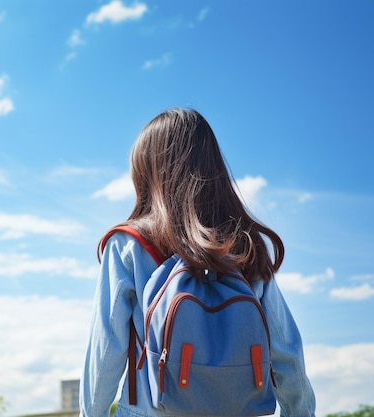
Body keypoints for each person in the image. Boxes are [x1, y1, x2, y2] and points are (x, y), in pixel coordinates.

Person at [79, 108, 316, 417]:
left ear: (146, 171)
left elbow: (106, 350)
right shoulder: (243, 244)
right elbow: (285, 349)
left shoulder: (129, 245)